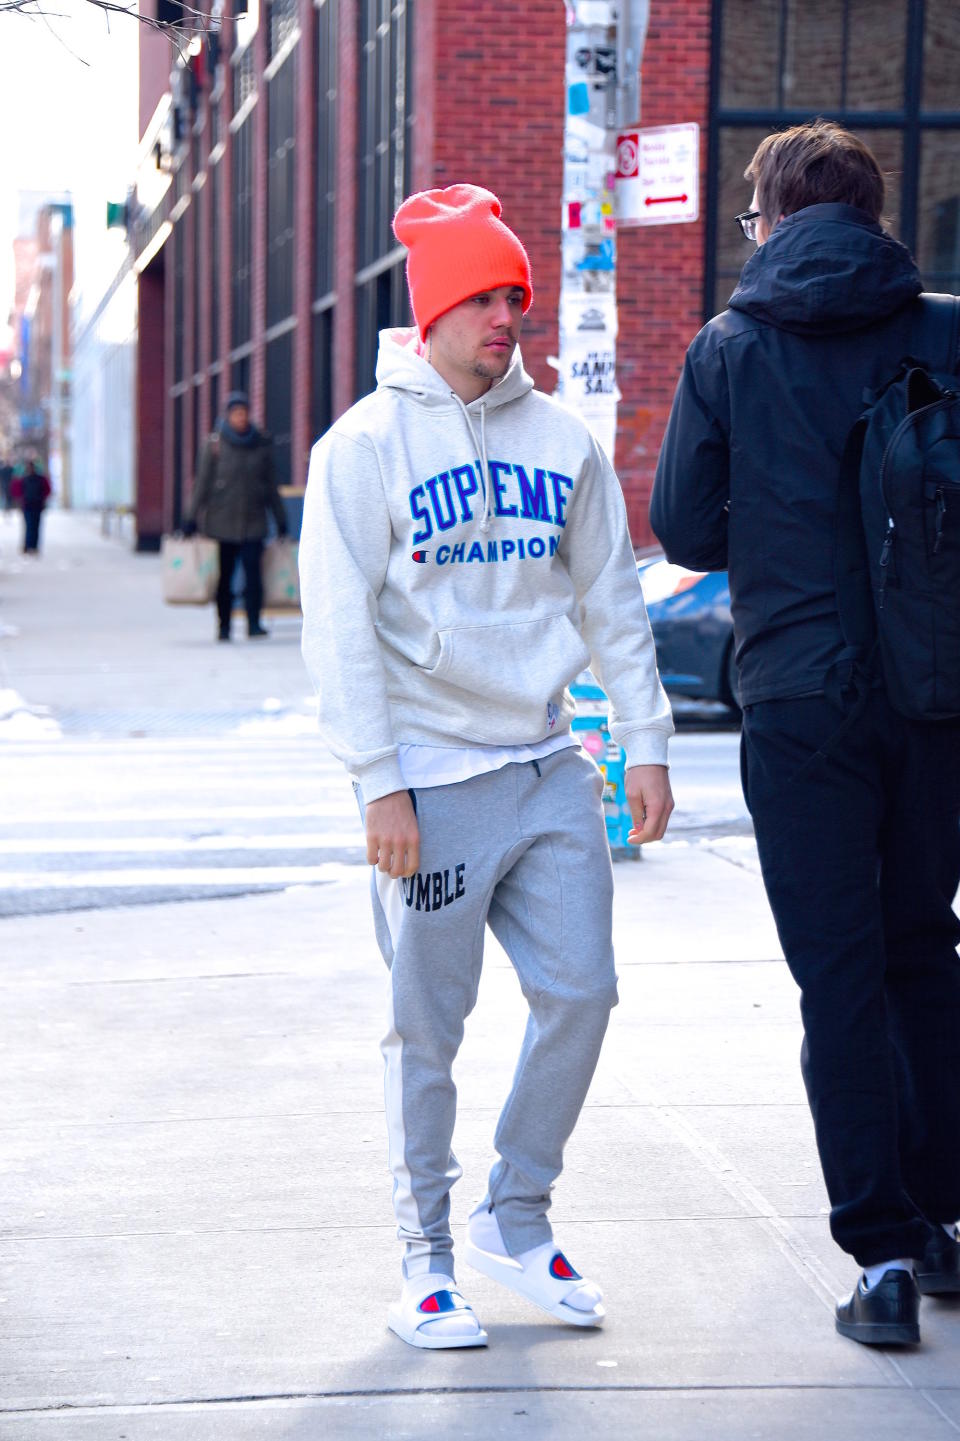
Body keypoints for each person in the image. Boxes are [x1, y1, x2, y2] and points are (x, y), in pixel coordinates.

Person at [299, 184, 674, 1350]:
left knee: (584, 991)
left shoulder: (561, 440)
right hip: (428, 781)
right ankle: (426, 1252)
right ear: (430, 312)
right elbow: (339, 629)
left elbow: (611, 597)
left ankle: (518, 1209)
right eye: (479, 295)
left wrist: (647, 742)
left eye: (514, 291)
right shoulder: (361, 448)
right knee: (428, 1028)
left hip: (549, 764)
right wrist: (380, 782)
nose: (507, 313)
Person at [651, 121, 960, 1348]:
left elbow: (685, 529)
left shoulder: (730, 348)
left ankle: (881, 1256)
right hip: (935, 697)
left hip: (795, 698)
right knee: (921, 951)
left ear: (772, 216)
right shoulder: (944, 327)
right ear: (875, 214)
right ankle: (946, 1220)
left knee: (836, 974)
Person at [183, 392, 287, 640]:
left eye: (244, 412)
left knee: (254, 576)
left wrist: (281, 520)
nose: (240, 417)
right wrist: (189, 518)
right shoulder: (215, 445)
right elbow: (202, 484)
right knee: (225, 578)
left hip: (254, 522)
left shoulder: (260, 443)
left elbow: (271, 485)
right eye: (236, 413)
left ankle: (254, 623)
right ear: (228, 415)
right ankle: (224, 626)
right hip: (221, 524)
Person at [10, 457, 52, 554]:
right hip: (29, 505)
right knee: (30, 526)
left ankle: (32, 546)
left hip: (35, 505)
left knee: (34, 526)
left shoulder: (38, 479)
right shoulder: (25, 479)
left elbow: (47, 490)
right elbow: (16, 490)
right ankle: (29, 545)